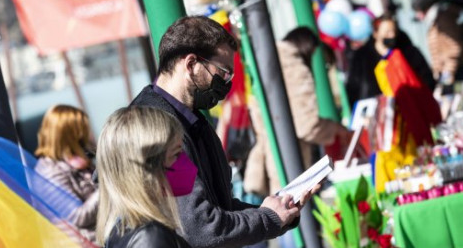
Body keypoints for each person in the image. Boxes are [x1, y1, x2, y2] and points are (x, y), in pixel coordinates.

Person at [131, 16, 316, 248]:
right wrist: (268, 218)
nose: (226, 84)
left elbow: (219, 207)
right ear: (190, 65)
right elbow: (201, 228)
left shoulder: (191, 120)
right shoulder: (159, 130)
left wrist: (277, 211)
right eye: (223, 73)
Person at [243, 28, 350, 199]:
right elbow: (307, 126)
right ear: (307, 47)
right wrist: (334, 128)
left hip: (270, 155)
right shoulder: (296, 69)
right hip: (291, 157)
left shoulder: (267, 61)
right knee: (292, 213)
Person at [96, 106, 193, 248]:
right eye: (176, 154)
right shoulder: (151, 236)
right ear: (146, 166)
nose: (185, 162)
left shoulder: (121, 228)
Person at [34, 105, 98, 242]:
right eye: (82, 131)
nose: (88, 135)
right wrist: (109, 184)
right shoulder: (48, 171)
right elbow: (77, 216)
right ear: (68, 135)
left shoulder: (78, 160)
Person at [346, 14, 435, 105]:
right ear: (376, 34)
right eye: (387, 32)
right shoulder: (361, 58)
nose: (392, 35)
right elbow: (353, 88)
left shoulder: (408, 51)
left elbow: (426, 78)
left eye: (394, 31)